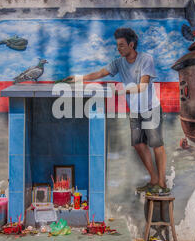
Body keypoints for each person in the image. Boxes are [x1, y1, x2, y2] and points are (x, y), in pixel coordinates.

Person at [64, 28, 169, 195]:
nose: (118, 49)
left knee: (156, 145)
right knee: (138, 144)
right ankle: (154, 179)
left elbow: (143, 86)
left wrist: (121, 91)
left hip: (150, 107)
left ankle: (162, 184)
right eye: (117, 45)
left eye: (121, 45)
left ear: (131, 45)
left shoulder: (145, 59)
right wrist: (78, 78)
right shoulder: (118, 62)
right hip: (135, 110)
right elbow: (100, 73)